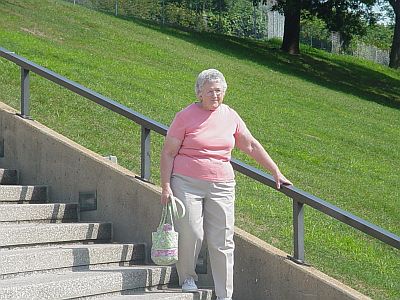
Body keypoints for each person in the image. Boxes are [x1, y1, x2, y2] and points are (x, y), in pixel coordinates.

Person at [160, 69, 292, 300]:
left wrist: (275, 171)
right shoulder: (184, 117)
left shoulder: (230, 116)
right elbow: (168, 153)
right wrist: (165, 186)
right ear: (199, 93)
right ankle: (188, 277)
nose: (215, 95)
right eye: (210, 91)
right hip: (186, 182)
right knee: (192, 232)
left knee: (223, 240)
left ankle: (224, 295)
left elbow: (250, 145)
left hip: (222, 185)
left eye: (219, 91)